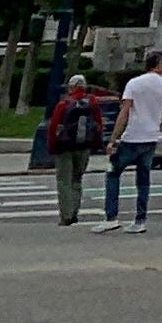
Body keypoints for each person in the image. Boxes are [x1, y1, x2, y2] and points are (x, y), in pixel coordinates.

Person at [104, 56, 162, 229]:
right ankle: (140, 220)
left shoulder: (134, 83)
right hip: (151, 136)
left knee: (113, 173)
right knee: (143, 180)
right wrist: (157, 117)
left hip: (132, 136)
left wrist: (113, 139)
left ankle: (111, 217)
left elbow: (125, 112)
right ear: (159, 66)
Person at [45, 71, 105, 226]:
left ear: (71, 87)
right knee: (77, 179)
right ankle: (75, 211)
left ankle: (66, 215)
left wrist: (52, 146)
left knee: (64, 181)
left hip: (64, 147)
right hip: (84, 146)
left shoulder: (64, 104)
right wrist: (97, 144)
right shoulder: (93, 102)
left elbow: (53, 127)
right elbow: (98, 125)